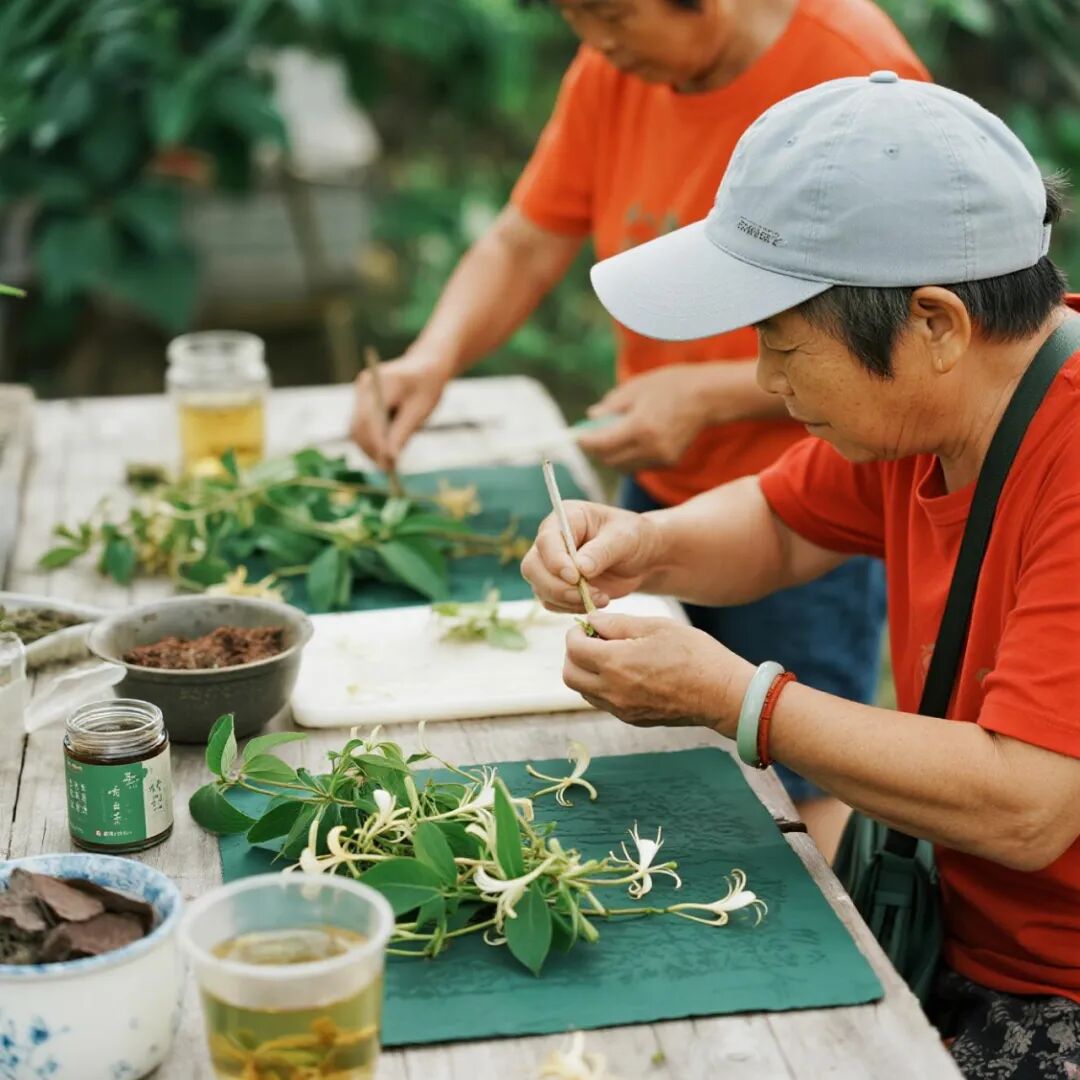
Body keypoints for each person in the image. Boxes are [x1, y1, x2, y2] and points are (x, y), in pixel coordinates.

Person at [521, 73, 1080, 1077]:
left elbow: (1028, 803)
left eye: (784, 349)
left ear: (937, 325)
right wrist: (643, 545)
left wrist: (737, 699)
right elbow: (781, 522)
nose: (769, 386)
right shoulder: (938, 409)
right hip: (960, 924)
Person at [350, 0, 929, 852]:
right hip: (681, 487)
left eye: (615, 15)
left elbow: (903, 336)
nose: (599, 45)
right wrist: (434, 357)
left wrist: (709, 395)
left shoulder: (854, 74)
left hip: (825, 500)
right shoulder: (614, 66)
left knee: (804, 779)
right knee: (668, 744)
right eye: (575, 19)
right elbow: (526, 237)